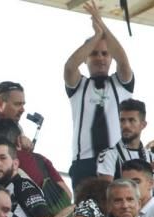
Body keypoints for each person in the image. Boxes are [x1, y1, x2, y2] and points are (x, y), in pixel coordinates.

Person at [62, 0, 135, 182]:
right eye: (94, 54)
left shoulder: (121, 83)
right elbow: (70, 67)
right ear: (86, 59)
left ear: (111, 58)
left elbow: (123, 61)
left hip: (118, 160)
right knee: (85, 210)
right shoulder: (79, 86)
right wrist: (97, 36)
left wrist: (102, 27)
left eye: (105, 53)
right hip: (85, 162)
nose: (100, 58)